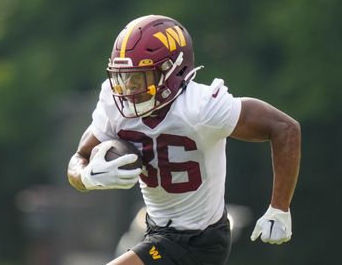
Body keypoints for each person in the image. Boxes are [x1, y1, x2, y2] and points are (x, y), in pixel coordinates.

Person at [67, 15, 301, 265]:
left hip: (199, 241)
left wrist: (280, 207)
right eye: (123, 78)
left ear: (172, 71)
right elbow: (78, 158)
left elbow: (285, 128)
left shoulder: (201, 108)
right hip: (156, 231)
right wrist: (86, 176)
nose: (128, 89)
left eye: (139, 78)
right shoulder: (115, 105)